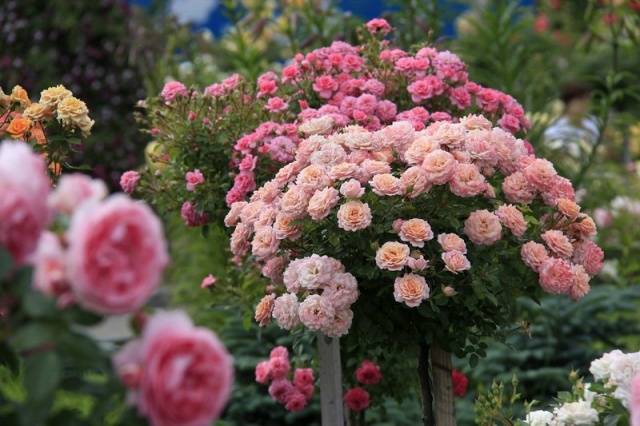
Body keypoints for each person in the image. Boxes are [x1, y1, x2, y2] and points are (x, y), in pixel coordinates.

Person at [543, 83, 600, 161]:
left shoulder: (592, 124)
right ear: (568, 103)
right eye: (580, 100)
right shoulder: (556, 129)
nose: (585, 104)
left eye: (587, 99)